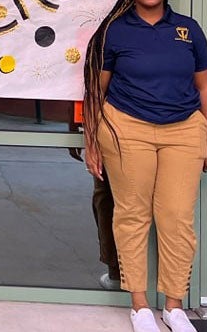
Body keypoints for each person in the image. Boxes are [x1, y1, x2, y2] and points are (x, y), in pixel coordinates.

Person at [82, 0, 207, 332]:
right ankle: (140, 305)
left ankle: (174, 306)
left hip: (183, 130)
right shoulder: (116, 30)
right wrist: (91, 141)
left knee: (176, 217)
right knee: (132, 215)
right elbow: (97, 89)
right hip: (127, 129)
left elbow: (205, 87)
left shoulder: (188, 29)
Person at [67, 121, 120, 290]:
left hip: (109, 121)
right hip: (111, 122)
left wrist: (74, 126)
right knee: (108, 197)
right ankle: (118, 272)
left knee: (106, 197)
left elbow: (83, 94)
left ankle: (117, 273)